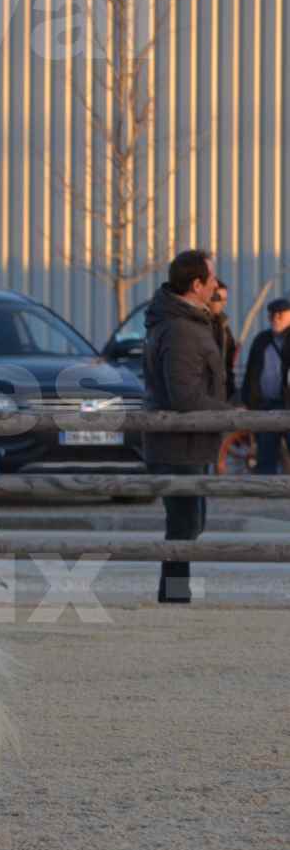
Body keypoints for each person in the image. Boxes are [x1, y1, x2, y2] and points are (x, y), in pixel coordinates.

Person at [142, 249, 233, 604]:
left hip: (189, 442)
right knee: (184, 524)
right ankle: (175, 596)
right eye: (210, 279)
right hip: (179, 444)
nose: (215, 284)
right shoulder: (181, 330)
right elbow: (184, 396)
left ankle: (175, 593)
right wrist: (231, 414)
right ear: (196, 284)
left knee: (189, 523)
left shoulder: (192, 322)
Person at [240, 296, 290, 474]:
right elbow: (251, 374)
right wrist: (247, 401)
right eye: (272, 315)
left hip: (288, 406)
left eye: (280, 314)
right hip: (266, 406)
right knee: (266, 456)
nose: (276, 318)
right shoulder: (261, 340)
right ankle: (265, 495)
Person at [208, 280, 240, 402]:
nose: (222, 303)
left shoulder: (223, 325)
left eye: (225, 299)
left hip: (223, 390)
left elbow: (227, 362)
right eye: (217, 298)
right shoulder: (199, 324)